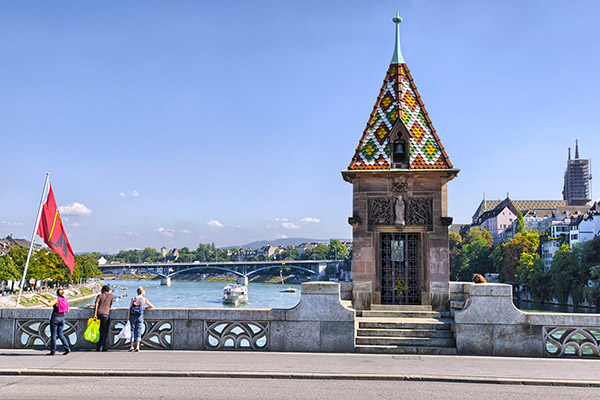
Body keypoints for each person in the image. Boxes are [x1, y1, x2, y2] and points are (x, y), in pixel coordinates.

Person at [40, 288, 71, 356]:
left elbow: (49, 305)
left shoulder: (57, 299)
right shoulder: (65, 300)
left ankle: (53, 351)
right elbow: (67, 310)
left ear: (57, 293)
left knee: (53, 335)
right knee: (60, 334)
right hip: (62, 318)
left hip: (55, 318)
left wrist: (41, 300)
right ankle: (67, 348)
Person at [127, 286, 154, 352]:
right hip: (140, 316)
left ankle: (131, 346)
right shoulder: (144, 299)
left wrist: (128, 317)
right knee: (139, 330)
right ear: (143, 292)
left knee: (132, 330)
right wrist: (145, 308)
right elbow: (152, 306)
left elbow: (130, 308)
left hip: (133, 316)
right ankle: (138, 347)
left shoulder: (133, 298)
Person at [94, 285, 114, 352]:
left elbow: (96, 304)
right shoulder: (111, 296)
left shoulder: (100, 295)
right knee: (105, 331)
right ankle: (102, 347)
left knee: (99, 331)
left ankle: (97, 346)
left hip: (99, 314)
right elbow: (110, 305)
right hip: (106, 314)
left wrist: (95, 314)